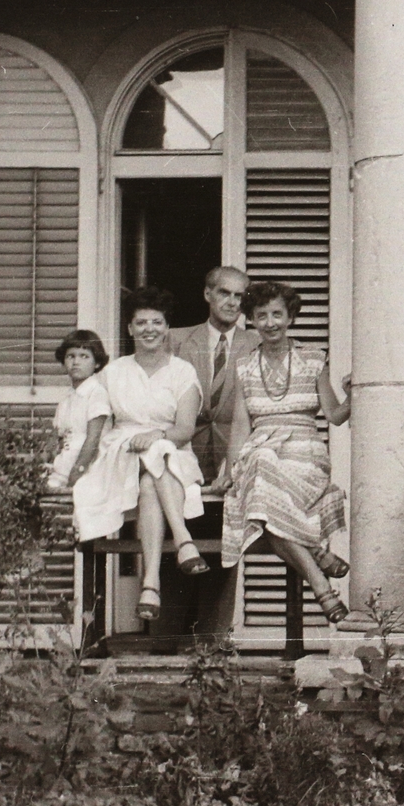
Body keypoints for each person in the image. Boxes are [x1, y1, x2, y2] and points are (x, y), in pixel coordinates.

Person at [218, 279, 352, 625]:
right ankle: (321, 576)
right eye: (261, 316)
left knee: (262, 496)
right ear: (251, 320)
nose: (270, 323)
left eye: (277, 314)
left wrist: (355, 394)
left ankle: (320, 574)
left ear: (290, 316)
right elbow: (240, 428)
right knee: (260, 471)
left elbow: (335, 416)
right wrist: (230, 470)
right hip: (261, 453)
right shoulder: (245, 366)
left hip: (305, 457)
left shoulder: (312, 359)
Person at [73, 287, 208, 623]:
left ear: (166, 327)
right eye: (141, 322)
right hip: (123, 454)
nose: (150, 329)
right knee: (152, 463)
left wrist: (156, 436)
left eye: (157, 322)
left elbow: (184, 429)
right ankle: (184, 542)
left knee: (155, 469)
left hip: (173, 450)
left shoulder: (182, 372)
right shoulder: (112, 373)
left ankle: (150, 583)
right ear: (130, 329)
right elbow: (96, 422)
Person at [169, 265, 259, 481]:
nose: (232, 302)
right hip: (184, 455)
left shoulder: (258, 345)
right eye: (224, 293)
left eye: (239, 296)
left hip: (237, 460)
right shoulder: (176, 340)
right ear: (207, 294)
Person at [47, 329, 110, 495]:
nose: (76, 362)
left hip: (88, 468)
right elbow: (58, 438)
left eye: (84, 356)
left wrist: (78, 470)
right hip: (63, 466)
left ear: (97, 363)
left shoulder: (96, 393)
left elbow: (93, 438)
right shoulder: (67, 398)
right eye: (71, 356)